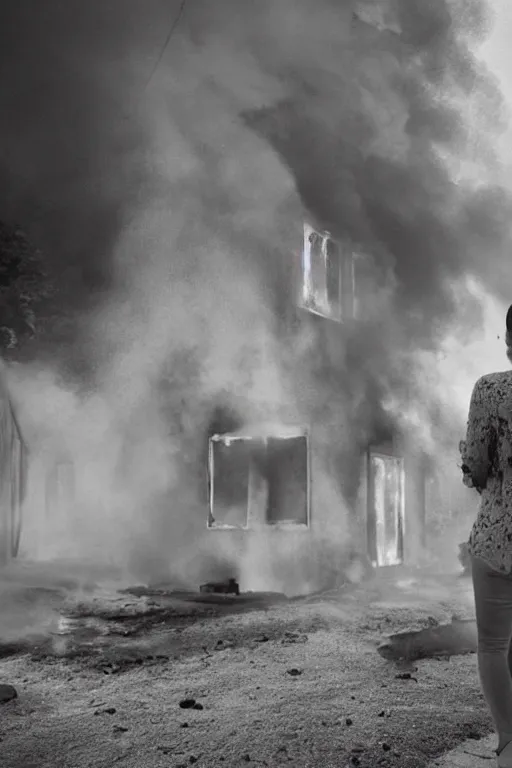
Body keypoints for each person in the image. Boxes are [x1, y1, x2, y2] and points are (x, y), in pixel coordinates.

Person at [461, 303, 512, 766]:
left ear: (509, 341)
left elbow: (476, 466)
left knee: (494, 645)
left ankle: (508, 744)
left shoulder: (490, 389)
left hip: (498, 537)